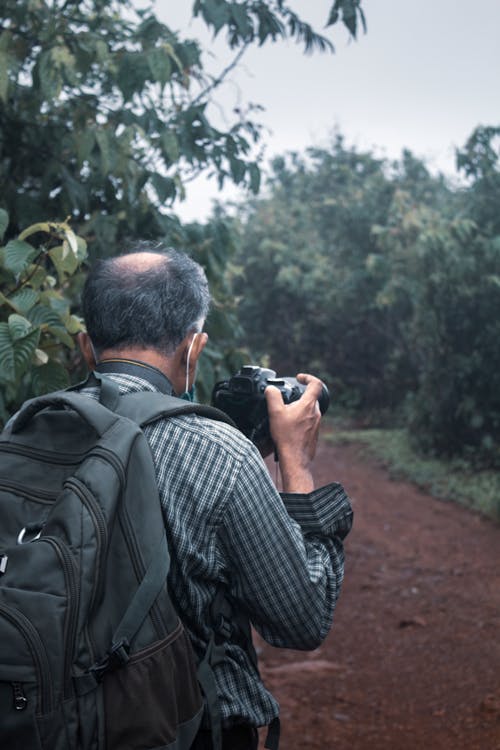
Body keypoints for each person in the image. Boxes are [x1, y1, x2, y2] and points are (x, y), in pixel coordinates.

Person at [77, 245, 353, 750]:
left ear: (84, 347)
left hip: (54, 721)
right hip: (185, 730)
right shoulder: (215, 450)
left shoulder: (25, 427)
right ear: (194, 350)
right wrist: (296, 464)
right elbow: (303, 619)